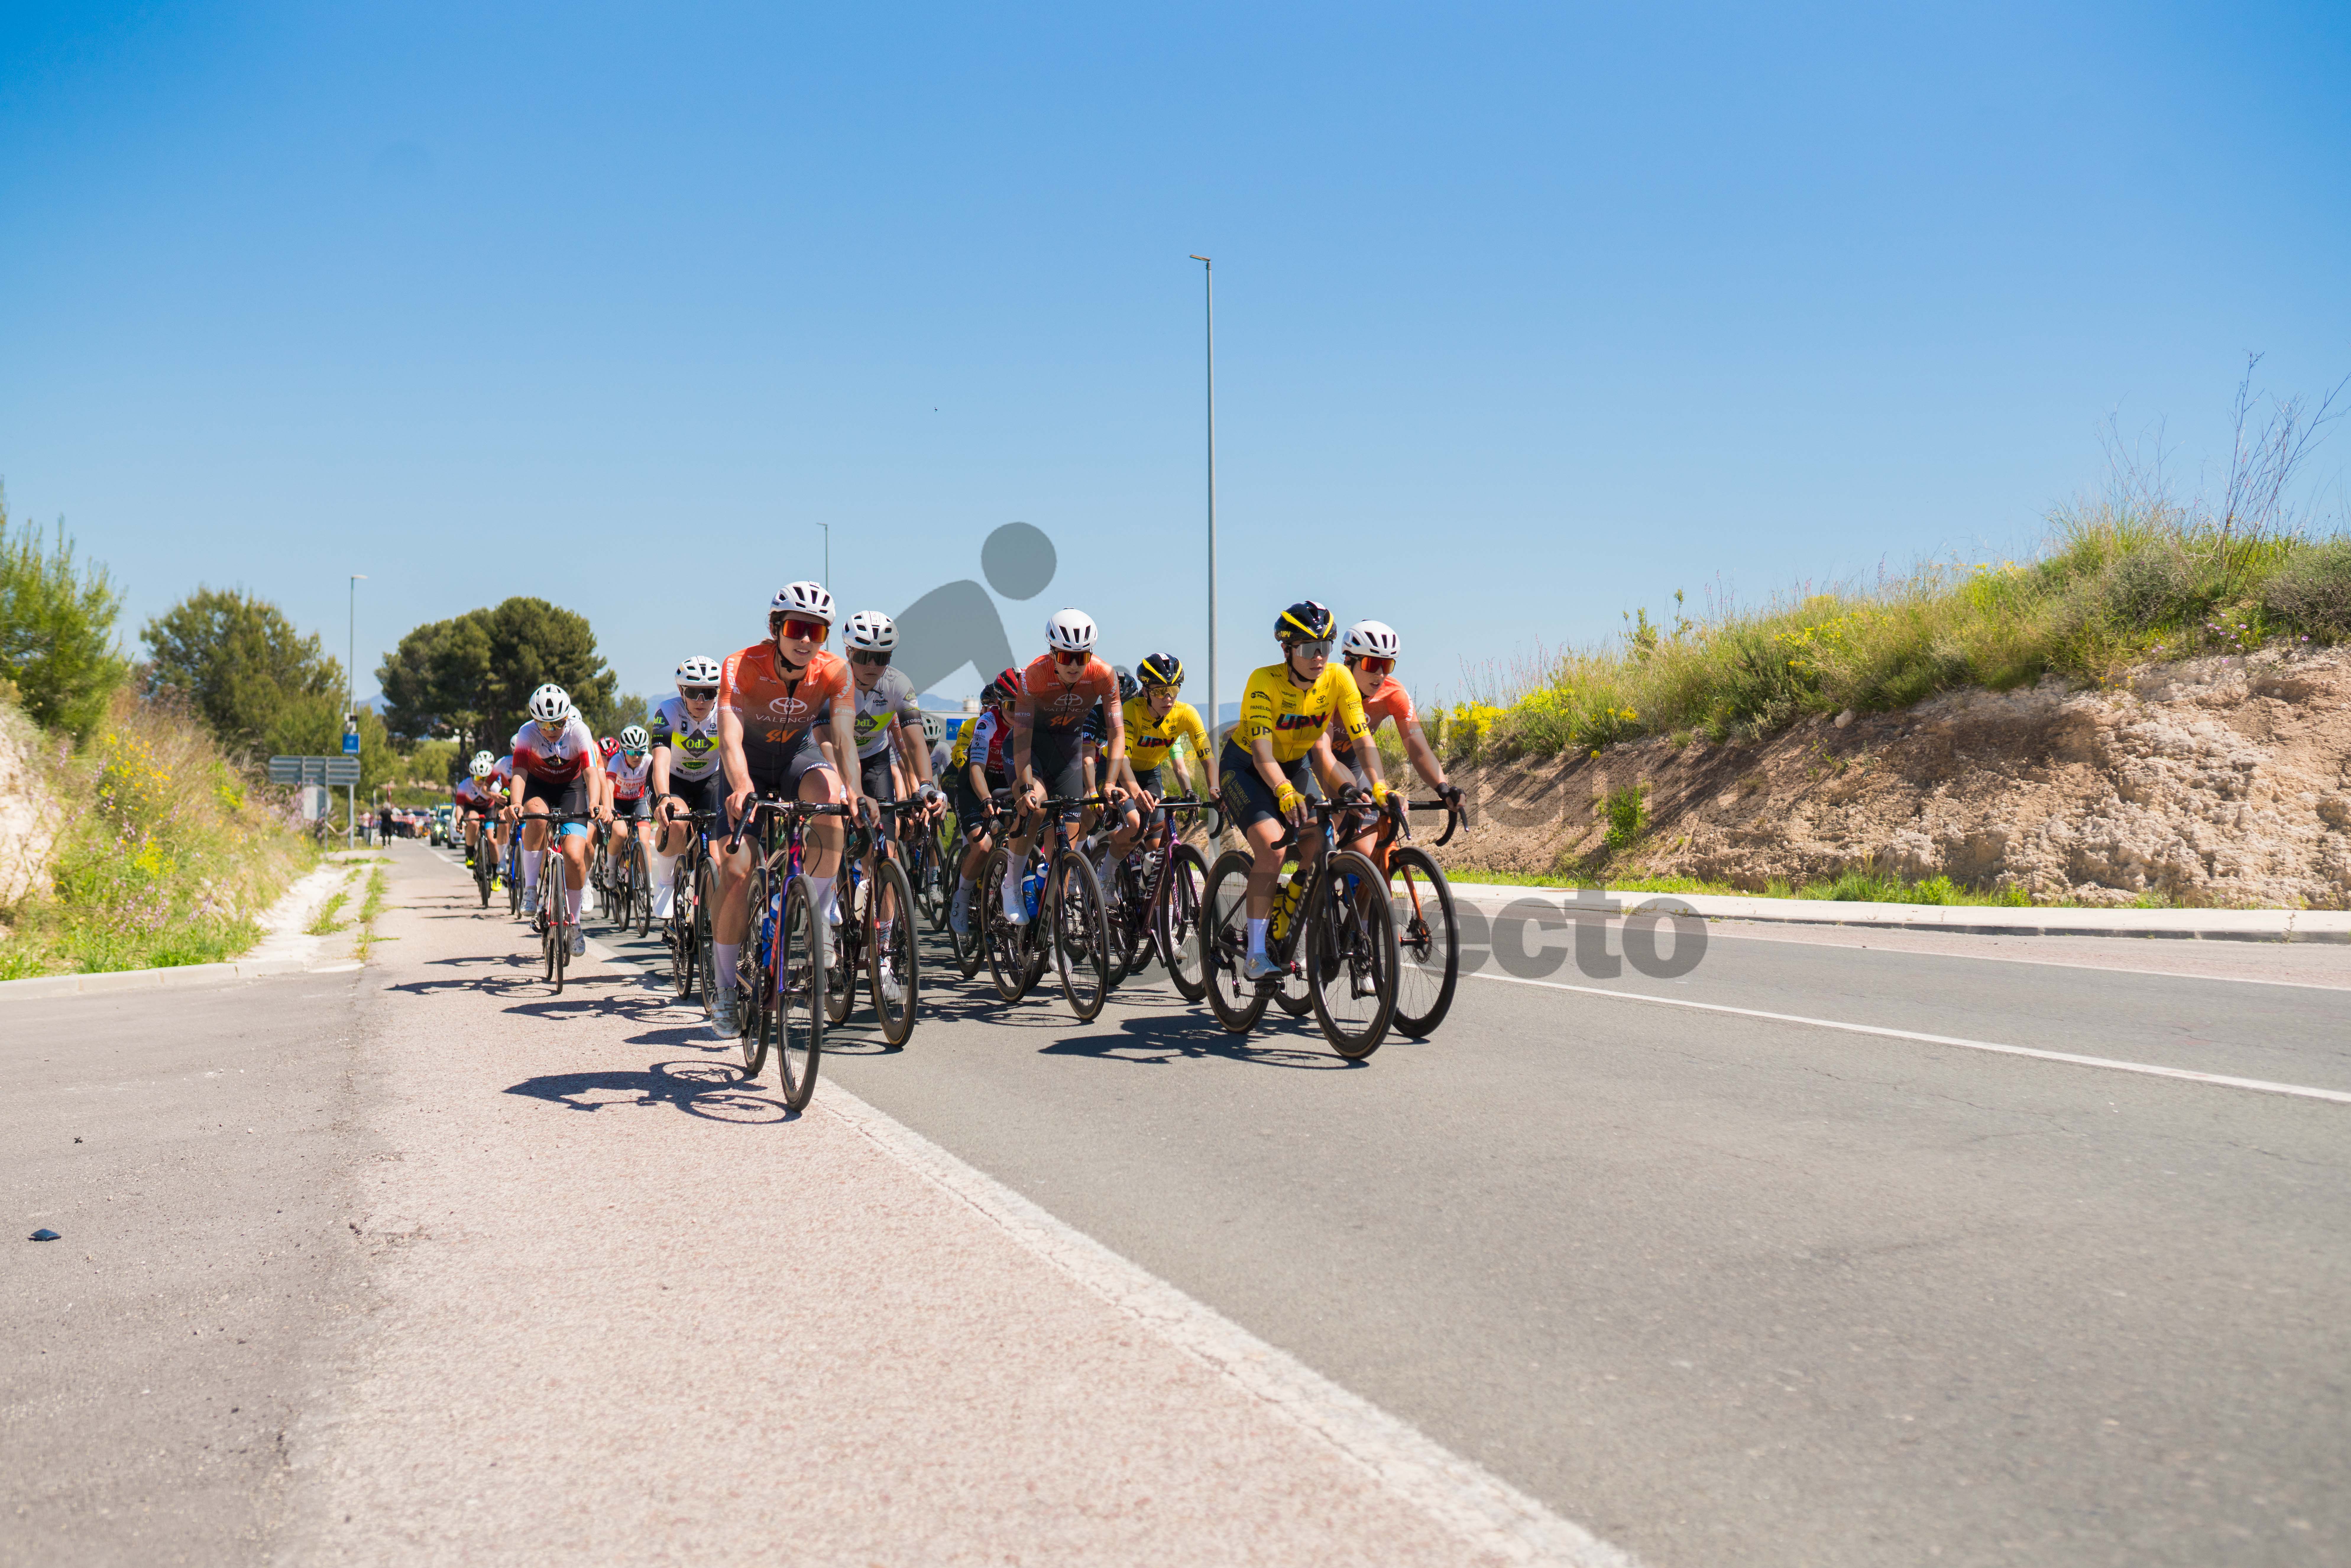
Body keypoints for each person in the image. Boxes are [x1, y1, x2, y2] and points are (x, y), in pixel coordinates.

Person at [707, 582, 871, 1036]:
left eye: (817, 633)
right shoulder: (741, 665)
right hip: (749, 766)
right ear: (777, 628)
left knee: (832, 794)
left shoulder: (836, 671)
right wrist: (741, 786)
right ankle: (724, 989)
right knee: (738, 874)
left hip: (797, 755)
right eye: (798, 629)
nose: (805, 641)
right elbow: (729, 736)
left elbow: (842, 738)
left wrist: (854, 790)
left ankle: (816, 914)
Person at [1219, 601, 1390, 982]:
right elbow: (1262, 752)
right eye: (1308, 649)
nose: (1318, 658)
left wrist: (1377, 785)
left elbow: (1363, 742)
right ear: (1287, 650)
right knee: (1272, 846)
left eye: (1325, 648)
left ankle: (1286, 912)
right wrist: (1281, 790)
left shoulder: (1338, 680)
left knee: (1319, 846)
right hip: (1247, 767)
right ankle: (1256, 954)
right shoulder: (1263, 681)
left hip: (1294, 767)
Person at [821, 610, 944, 1003]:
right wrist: (844, 787)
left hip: (874, 760)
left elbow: (913, 740)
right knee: (835, 827)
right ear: (848, 651)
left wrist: (926, 786)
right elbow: (830, 738)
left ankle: (886, 960)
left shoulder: (898, 685)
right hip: (829, 752)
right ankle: (827, 907)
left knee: (887, 851)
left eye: (883, 657)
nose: (873, 666)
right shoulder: (830, 680)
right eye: (864, 656)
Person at [998, 609, 1123, 926]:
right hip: (1032, 747)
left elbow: (1116, 733)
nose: (1073, 665)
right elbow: (1023, 738)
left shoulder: (1104, 675)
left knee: (1074, 826)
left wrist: (1108, 783)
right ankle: (1011, 882)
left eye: (1081, 658)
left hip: (1067, 749)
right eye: (1066, 656)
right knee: (1036, 807)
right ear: (1053, 653)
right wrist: (1026, 786)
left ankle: (1054, 926)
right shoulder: (1035, 675)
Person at [1312, 620, 1462, 860]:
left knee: (1365, 851)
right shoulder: (1328, 687)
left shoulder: (1393, 693)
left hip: (1354, 759)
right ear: (1349, 661)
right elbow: (1322, 752)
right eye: (1372, 664)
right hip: (1317, 757)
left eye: (1387, 665)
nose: (1380, 674)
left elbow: (1419, 750)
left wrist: (1443, 788)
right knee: (1325, 836)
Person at [499, 684, 613, 955]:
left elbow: (591, 772)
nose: (551, 731)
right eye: (544, 725)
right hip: (539, 787)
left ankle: (574, 924)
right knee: (536, 819)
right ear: (534, 721)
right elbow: (519, 772)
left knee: (575, 856)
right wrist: (516, 803)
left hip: (571, 789)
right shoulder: (527, 734)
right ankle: (530, 889)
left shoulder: (579, 731)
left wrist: (595, 805)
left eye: (558, 724)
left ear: (568, 718)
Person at [649, 656, 724, 923]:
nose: (701, 700)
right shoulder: (668, 711)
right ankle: (667, 882)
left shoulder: (725, 712)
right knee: (677, 820)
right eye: (694, 693)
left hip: (709, 781)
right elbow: (660, 759)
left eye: (710, 693)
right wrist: (663, 797)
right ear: (682, 692)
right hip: (673, 780)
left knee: (717, 859)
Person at [948, 667, 1022, 936]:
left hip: (1008, 783)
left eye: (1023, 705)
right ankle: (963, 896)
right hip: (975, 785)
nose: (1017, 712)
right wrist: (986, 799)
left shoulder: (1028, 723)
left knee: (1021, 837)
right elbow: (976, 768)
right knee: (982, 846)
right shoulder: (986, 723)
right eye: (1011, 706)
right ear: (1000, 704)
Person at [602, 725, 655, 896]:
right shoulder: (616, 761)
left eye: (641, 752)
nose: (637, 757)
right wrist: (610, 809)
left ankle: (646, 878)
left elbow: (656, 785)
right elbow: (609, 788)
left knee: (644, 841)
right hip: (618, 803)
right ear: (624, 751)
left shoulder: (648, 761)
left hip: (637, 802)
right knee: (620, 833)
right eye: (632, 753)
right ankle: (610, 868)